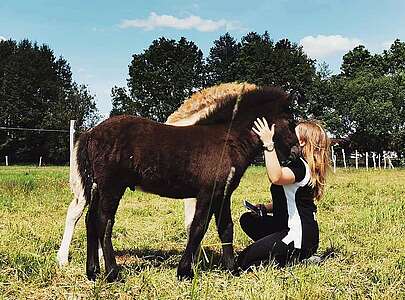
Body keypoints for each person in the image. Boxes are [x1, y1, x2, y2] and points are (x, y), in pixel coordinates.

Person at [236, 118, 330, 270]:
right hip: (291, 228)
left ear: (303, 142)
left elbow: (276, 177)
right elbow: (292, 201)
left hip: (297, 236)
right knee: (248, 220)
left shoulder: (300, 167)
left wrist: (268, 143)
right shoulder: (302, 166)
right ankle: (282, 252)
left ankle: (296, 258)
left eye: (293, 133)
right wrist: (265, 208)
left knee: (243, 262)